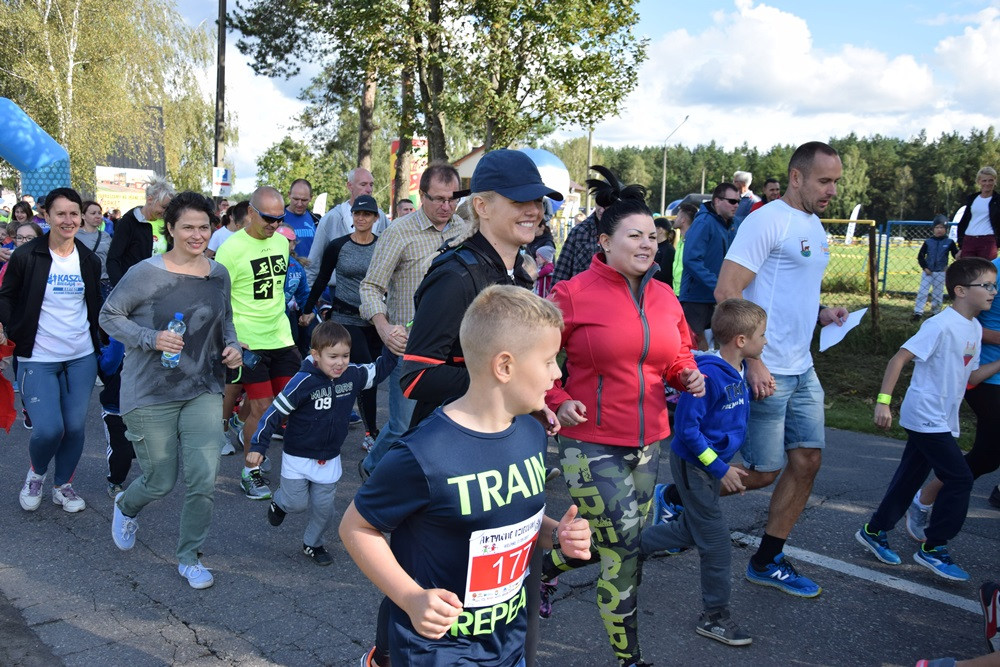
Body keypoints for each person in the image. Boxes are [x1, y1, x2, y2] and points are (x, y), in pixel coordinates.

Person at [340, 285, 592, 667]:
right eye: (548, 361)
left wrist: (556, 534)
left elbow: (510, 517)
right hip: (438, 650)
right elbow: (356, 527)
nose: (557, 373)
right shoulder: (424, 454)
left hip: (509, 643)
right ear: (505, 366)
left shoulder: (531, 432)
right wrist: (409, 597)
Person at [539, 171, 704, 667]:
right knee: (626, 547)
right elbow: (534, 357)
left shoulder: (664, 297)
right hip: (588, 441)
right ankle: (628, 660)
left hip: (650, 442)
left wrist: (687, 375)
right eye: (635, 235)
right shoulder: (572, 295)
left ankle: (540, 571)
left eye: (653, 236)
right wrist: (557, 396)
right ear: (605, 242)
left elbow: (679, 354)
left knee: (608, 544)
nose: (647, 244)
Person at [714, 141, 848, 598]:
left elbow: (789, 295)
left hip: (802, 365)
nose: (832, 190)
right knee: (765, 470)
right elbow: (729, 291)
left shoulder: (813, 224)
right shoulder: (767, 219)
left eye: (836, 182)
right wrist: (752, 358)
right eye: (824, 181)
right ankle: (676, 498)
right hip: (768, 368)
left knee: (808, 460)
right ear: (797, 177)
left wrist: (824, 313)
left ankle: (767, 558)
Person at [101, 190, 242, 589]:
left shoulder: (218, 273)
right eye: (188, 227)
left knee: (203, 476)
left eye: (204, 227)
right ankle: (126, 505)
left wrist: (231, 348)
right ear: (171, 229)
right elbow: (109, 315)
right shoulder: (146, 273)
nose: (197, 235)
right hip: (150, 391)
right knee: (161, 480)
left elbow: (224, 321)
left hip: (203, 385)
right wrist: (150, 337)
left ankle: (190, 557)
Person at [856, 258, 1000, 581]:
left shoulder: (974, 328)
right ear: (961, 291)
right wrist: (883, 402)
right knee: (960, 477)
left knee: (910, 476)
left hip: (942, 418)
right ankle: (934, 548)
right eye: (987, 285)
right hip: (924, 414)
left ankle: (874, 530)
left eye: (994, 285)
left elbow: (972, 376)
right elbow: (900, 358)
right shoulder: (939, 325)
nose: (993, 291)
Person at [641, 298, 766, 647]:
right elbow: (687, 430)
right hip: (695, 465)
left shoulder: (735, 370)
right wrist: (720, 467)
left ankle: (629, 550)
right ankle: (715, 616)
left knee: (690, 529)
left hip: (707, 466)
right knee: (715, 543)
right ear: (741, 340)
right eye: (762, 335)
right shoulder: (708, 374)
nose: (765, 342)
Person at [250, 320, 395, 566]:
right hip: (298, 455)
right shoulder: (302, 382)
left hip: (329, 458)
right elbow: (273, 413)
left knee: (324, 511)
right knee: (296, 503)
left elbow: (379, 370)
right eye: (333, 356)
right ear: (315, 355)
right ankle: (280, 502)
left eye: (345, 355)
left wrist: (392, 347)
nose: (340, 362)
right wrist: (258, 447)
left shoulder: (352, 375)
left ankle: (312, 543)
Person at [357, 163, 467, 475]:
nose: (446, 206)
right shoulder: (399, 232)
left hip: (455, 348)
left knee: (445, 422)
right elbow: (370, 286)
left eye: (452, 199)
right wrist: (383, 326)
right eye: (438, 199)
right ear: (422, 196)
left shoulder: (463, 227)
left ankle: (423, 487)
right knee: (403, 425)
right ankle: (372, 467)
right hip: (410, 347)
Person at [0, 187, 102, 513]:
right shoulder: (26, 255)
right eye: (61, 213)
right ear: (47, 216)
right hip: (37, 357)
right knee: (48, 429)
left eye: (74, 213)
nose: (68, 220)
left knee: (73, 427)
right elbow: (6, 296)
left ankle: (63, 486)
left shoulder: (88, 259)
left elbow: (95, 306)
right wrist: (7, 327)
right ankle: (37, 474)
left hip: (80, 356)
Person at [905, 254, 1000, 537]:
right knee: (985, 458)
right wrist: (884, 402)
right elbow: (968, 321)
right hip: (988, 378)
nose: (991, 291)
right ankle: (924, 503)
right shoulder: (991, 272)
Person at [215, 186, 299, 500]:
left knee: (286, 404)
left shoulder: (280, 243)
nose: (275, 225)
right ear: (250, 212)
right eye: (268, 218)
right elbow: (218, 299)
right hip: (248, 341)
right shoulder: (231, 249)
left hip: (281, 337)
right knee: (263, 410)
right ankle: (250, 473)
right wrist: (231, 340)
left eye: (280, 219)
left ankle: (240, 422)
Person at [300, 194, 385, 451]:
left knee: (370, 376)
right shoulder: (338, 245)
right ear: (352, 218)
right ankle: (372, 432)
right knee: (367, 370)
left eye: (366, 214)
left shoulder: (383, 245)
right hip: (344, 318)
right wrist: (306, 309)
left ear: (375, 218)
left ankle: (357, 424)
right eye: (357, 214)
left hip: (374, 318)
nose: (361, 218)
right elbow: (322, 278)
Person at [680, 182, 740, 350]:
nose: (736, 205)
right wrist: (719, 285)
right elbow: (691, 260)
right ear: (717, 201)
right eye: (732, 201)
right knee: (697, 347)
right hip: (697, 299)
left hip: (716, 297)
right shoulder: (704, 223)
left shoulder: (732, 225)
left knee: (717, 348)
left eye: (738, 201)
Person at [308, 168, 389, 286]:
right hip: (339, 291)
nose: (369, 189)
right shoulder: (332, 218)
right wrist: (309, 295)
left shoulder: (380, 216)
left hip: (372, 290)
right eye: (363, 184)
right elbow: (314, 260)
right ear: (350, 186)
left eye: (371, 185)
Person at [106, 175, 176, 286]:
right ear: (150, 199)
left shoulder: (167, 224)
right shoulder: (128, 222)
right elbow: (113, 259)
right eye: (163, 207)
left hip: (161, 288)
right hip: (133, 288)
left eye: (168, 208)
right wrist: (120, 289)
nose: (165, 212)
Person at [552, 167, 613, 284]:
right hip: (579, 298)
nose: (601, 209)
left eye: (606, 205)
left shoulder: (625, 234)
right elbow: (560, 273)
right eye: (598, 203)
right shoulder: (579, 232)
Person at [913, 215, 959, 321]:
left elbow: (956, 255)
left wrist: (949, 267)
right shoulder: (928, 242)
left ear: (946, 229)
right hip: (928, 272)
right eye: (937, 227)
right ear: (933, 229)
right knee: (922, 292)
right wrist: (925, 267)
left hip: (940, 272)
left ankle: (935, 312)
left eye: (942, 227)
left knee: (937, 294)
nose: (939, 230)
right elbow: (921, 256)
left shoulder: (949, 242)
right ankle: (918, 312)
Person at [958, 167, 1000, 260]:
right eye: (984, 180)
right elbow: (964, 221)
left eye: (990, 180)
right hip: (969, 240)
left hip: (988, 241)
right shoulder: (972, 199)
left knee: (986, 272)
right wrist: (961, 246)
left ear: (995, 181)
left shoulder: (997, 201)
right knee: (968, 272)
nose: (987, 183)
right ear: (979, 181)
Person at [76, 200, 112, 300]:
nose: (97, 216)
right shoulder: (75, 236)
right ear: (83, 216)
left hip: (103, 282)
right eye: (93, 213)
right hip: (82, 281)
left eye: (99, 213)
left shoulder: (106, 236)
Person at [284, 178, 319, 261]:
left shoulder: (317, 220)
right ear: (289, 195)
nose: (299, 204)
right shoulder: (277, 219)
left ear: (311, 198)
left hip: (311, 272)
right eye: (296, 199)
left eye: (304, 200)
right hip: (287, 271)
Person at [671, 203, 698, 291]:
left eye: (677, 216)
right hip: (678, 291)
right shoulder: (681, 240)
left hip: (686, 292)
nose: (675, 219)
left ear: (683, 220)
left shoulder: (693, 241)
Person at [652, 216, 675, 288]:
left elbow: (664, 275)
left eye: (653, 227)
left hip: (660, 289)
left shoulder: (669, 250)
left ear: (660, 230)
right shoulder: (653, 247)